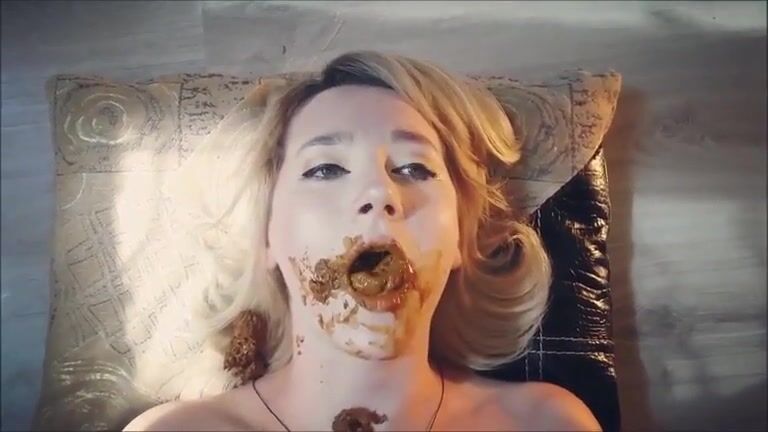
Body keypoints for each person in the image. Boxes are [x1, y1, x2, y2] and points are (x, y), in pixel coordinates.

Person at [124, 51, 601, 431]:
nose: (379, 193)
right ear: (268, 236)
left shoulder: (545, 423)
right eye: (326, 169)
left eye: (414, 168)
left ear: (460, 237)